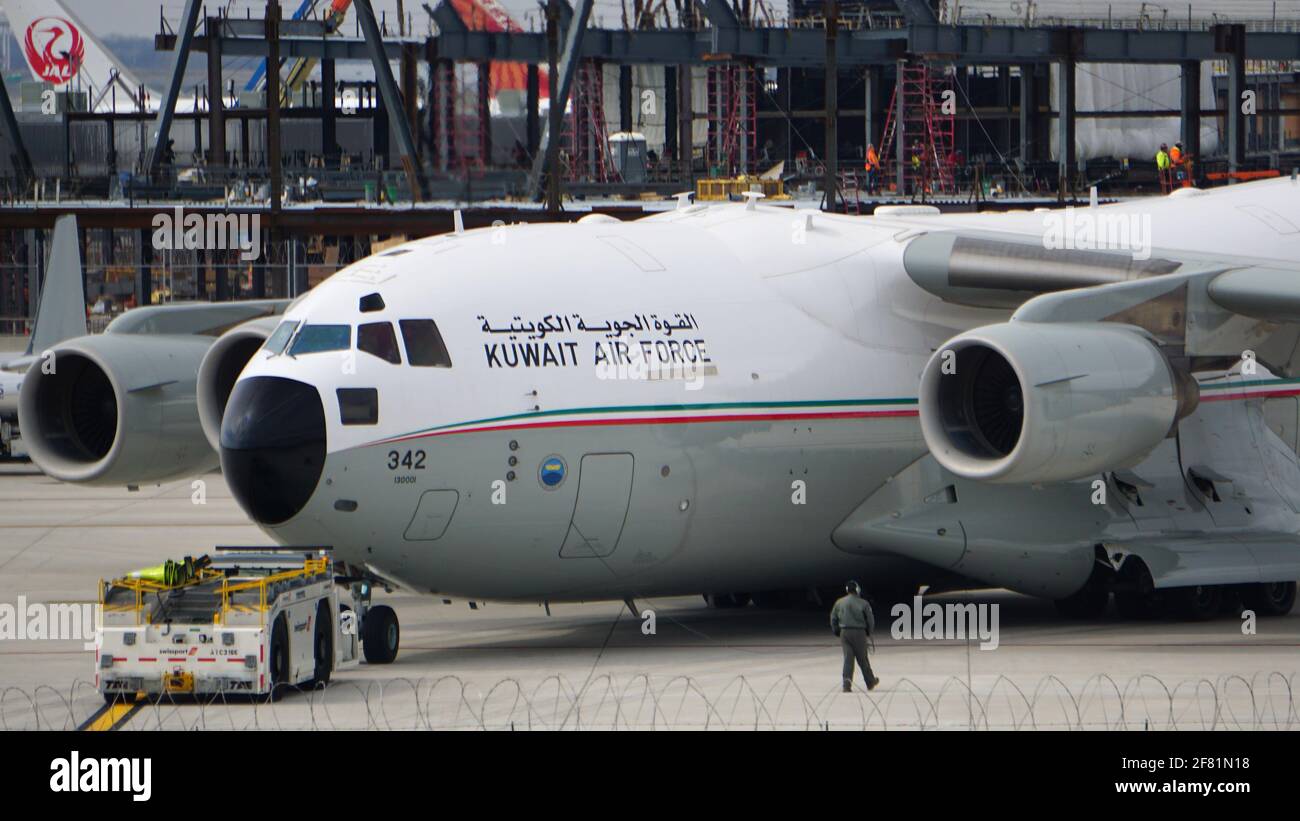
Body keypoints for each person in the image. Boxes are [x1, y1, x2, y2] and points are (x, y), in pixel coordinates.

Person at [830, 580, 879, 693]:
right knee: (862, 659)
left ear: (847, 590)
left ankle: (846, 685)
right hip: (859, 632)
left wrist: (837, 631)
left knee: (848, 659)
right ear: (857, 590)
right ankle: (870, 682)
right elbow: (870, 620)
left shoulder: (839, 602)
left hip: (844, 633)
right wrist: (868, 632)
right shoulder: (863, 603)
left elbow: (833, 618)